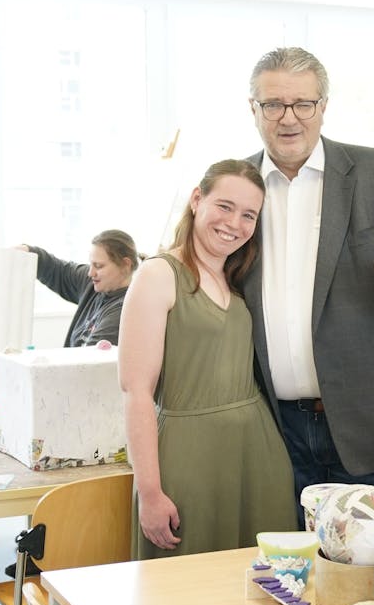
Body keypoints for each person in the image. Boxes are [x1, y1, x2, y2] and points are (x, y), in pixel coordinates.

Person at [241, 47, 374, 519]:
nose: (288, 118)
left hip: (369, 421)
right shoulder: (237, 183)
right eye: (272, 104)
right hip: (271, 427)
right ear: (253, 109)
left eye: (302, 104)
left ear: (323, 107)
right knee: (287, 573)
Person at [119, 159, 294, 558]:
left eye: (249, 215)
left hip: (257, 456)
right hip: (189, 456)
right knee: (185, 588)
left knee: (265, 588)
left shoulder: (237, 278)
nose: (235, 223)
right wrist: (149, 491)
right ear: (197, 199)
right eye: (225, 206)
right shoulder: (159, 275)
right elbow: (136, 392)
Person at [19, 230, 140, 346]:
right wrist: (27, 251)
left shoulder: (124, 311)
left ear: (126, 264)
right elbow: (58, 270)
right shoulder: (92, 284)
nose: (90, 273)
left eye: (98, 266)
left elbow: (89, 359)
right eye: (91, 264)